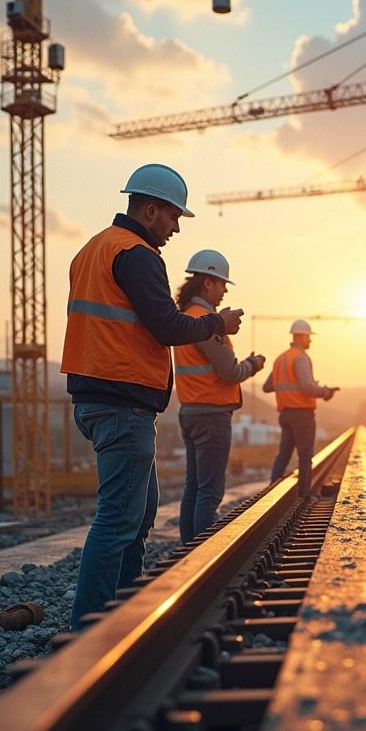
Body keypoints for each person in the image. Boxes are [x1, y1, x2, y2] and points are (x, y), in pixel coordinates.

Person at [60, 164, 244, 629]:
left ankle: (120, 612)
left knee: (139, 514)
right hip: (121, 400)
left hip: (99, 396)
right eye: (173, 216)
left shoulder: (92, 249)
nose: (176, 227)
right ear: (149, 209)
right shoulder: (137, 254)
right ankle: (92, 630)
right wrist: (217, 324)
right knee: (119, 519)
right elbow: (167, 326)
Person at [173, 250, 265, 543]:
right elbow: (228, 372)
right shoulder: (206, 322)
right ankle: (201, 555)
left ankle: (188, 549)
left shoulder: (186, 317)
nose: (225, 290)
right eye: (222, 284)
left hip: (189, 410)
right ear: (208, 282)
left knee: (194, 488)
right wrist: (253, 365)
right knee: (210, 491)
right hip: (211, 413)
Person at [263, 320, 339, 496]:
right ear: (302, 336)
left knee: (283, 454)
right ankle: (304, 493)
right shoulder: (301, 357)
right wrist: (325, 392)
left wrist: (288, 386)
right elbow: (306, 387)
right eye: (309, 337)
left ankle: (270, 490)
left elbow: (267, 386)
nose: (310, 341)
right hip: (302, 413)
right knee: (305, 457)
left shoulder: (281, 359)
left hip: (285, 414)